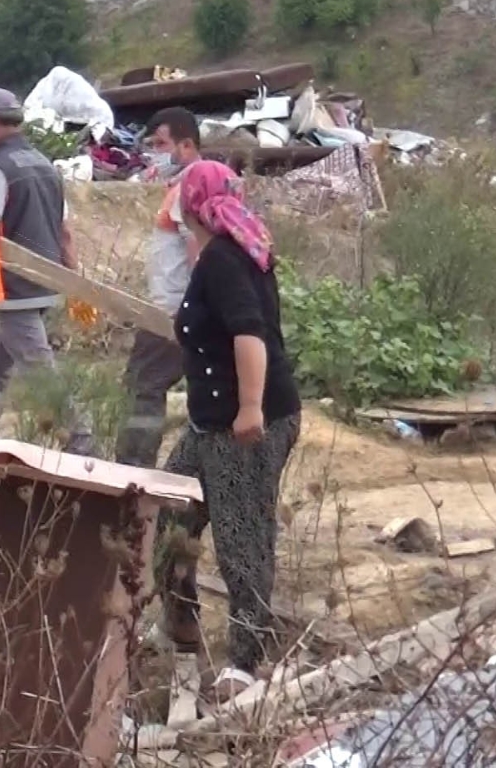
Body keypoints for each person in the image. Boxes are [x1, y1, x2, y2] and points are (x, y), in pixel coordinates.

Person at [154, 160, 302, 703]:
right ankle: (181, 630)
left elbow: (249, 334)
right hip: (208, 425)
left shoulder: (224, 257)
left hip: (244, 424)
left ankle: (244, 661)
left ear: (194, 203)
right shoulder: (227, 249)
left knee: (243, 541)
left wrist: (250, 408)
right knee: (169, 517)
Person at [0, 88, 91, 454]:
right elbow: (65, 233)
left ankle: (83, 444)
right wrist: (75, 283)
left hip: (13, 289)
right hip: (44, 285)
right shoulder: (45, 165)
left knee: (41, 371)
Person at [116, 107, 204, 468]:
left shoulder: (189, 189)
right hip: (178, 307)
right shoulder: (197, 184)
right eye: (151, 145)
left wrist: (194, 308)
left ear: (187, 145)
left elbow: (198, 252)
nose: (155, 153)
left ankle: (135, 468)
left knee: (143, 386)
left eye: (162, 144)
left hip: (171, 311)